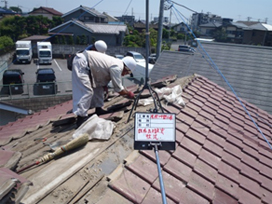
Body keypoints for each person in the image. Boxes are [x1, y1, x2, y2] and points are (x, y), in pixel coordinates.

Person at [72, 50, 137, 128]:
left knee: (99, 87)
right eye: (126, 73)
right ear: (126, 68)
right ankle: (81, 118)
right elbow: (119, 89)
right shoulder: (117, 67)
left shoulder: (116, 63)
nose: (124, 75)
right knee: (86, 91)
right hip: (82, 63)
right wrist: (129, 93)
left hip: (88, 65)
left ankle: (98, 109)